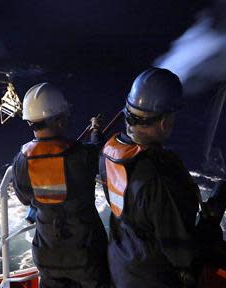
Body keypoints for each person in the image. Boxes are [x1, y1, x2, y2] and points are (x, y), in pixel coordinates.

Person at [99, 68, 200, 288]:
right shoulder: (159, 176)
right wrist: (209, 229)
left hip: (120, 266)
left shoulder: (109, 153)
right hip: (149, 278)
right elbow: (181, 252)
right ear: (164, 122)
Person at [12, 83, 110, 288]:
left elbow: (25, 197)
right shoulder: (81, 155)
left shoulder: (22, 160)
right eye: (64, 115)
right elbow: (98, 150)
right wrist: (95, 128)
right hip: (86, 251)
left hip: (47, 252)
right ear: (58, 120)